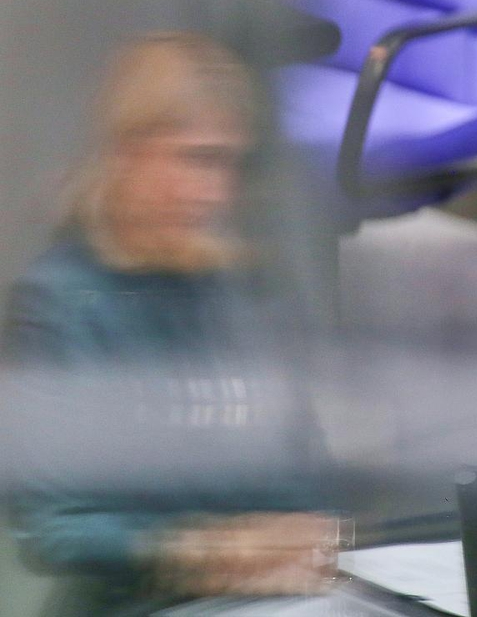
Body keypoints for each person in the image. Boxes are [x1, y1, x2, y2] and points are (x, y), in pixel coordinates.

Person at [1, 32, 340, 615]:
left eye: (229, 164)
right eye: (195, 159)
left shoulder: (238, 291)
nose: (215, 193)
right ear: (127, 152)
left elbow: (299, 475)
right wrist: (203, 551)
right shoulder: (61, 303)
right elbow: (55, 529)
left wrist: (310, 532)